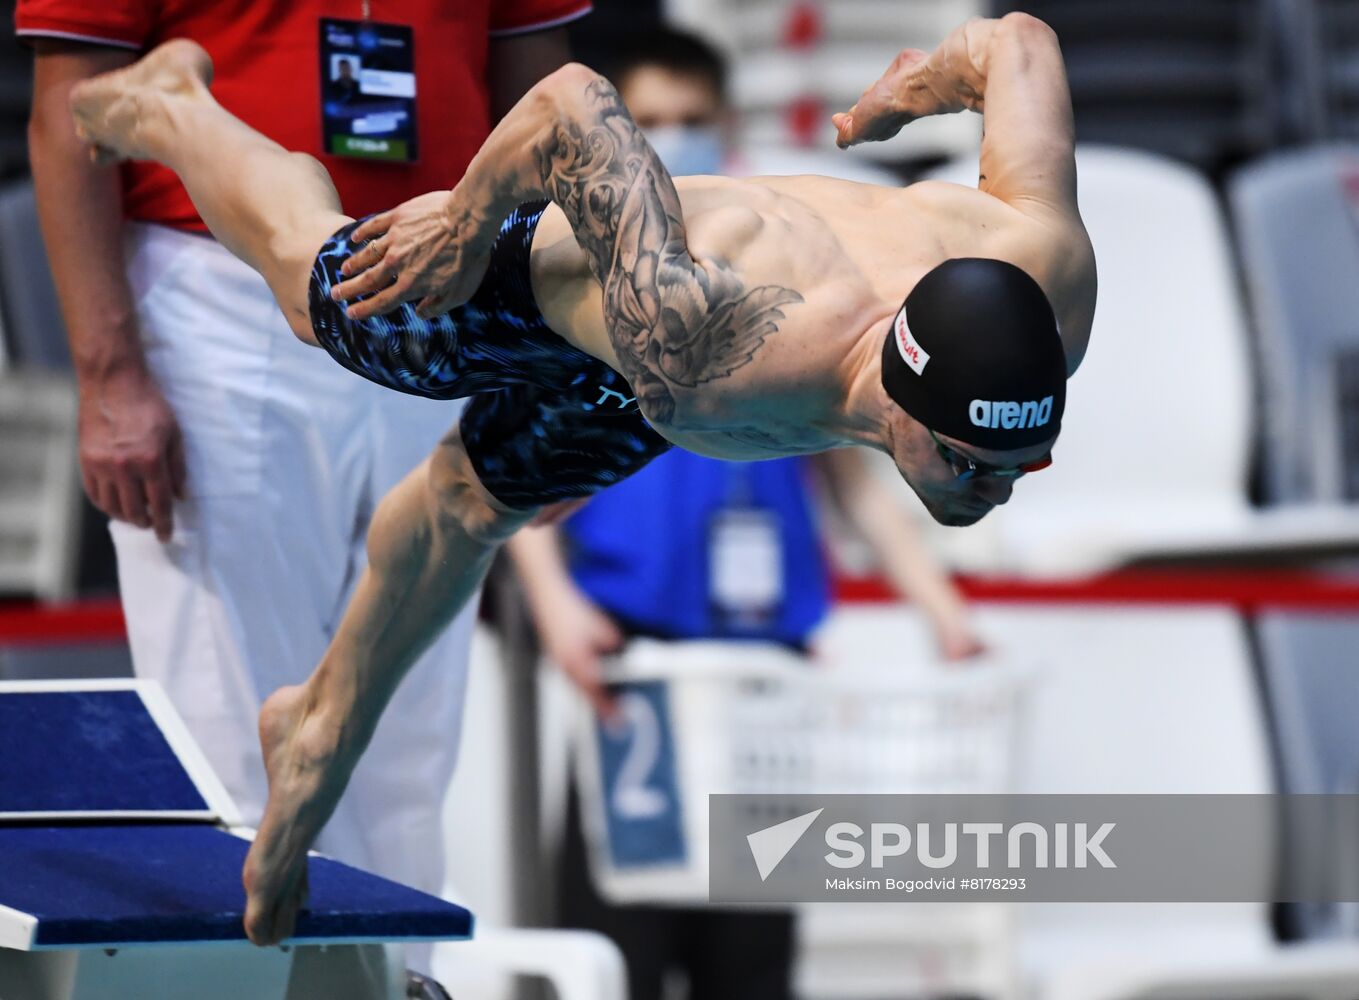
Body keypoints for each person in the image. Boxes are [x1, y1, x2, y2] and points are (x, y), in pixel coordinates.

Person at [67, 10, 1096, 945]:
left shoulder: (1049, 284)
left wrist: (904, 93)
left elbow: (1020, 46)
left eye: (1018, 466)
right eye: (967, 465)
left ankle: (318, 717)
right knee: (315, 287)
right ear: (901, 391)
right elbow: (570, 105)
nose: (990, 494)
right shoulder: (710, 344)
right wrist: (469, 219)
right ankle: (175, 108)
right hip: (604, 284)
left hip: (678, 361)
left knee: (472, 502)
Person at [21, 0, 587, 983]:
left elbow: (545, 108)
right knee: (225, 718)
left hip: (443, 280)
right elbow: (66, 108)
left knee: (409, 731)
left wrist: (547, 362)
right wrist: (109, 369)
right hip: (213, 287)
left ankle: (392, 980)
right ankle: (235, 985)